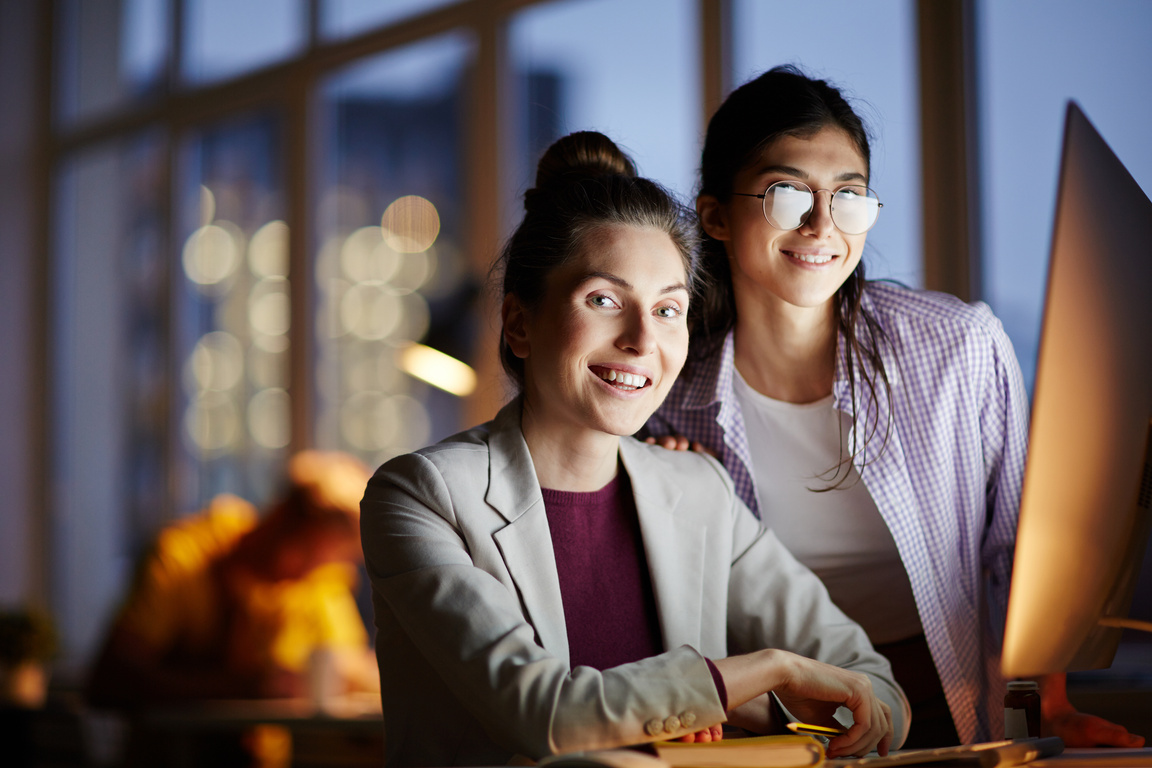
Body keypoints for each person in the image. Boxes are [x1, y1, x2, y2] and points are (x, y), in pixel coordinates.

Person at [360, 130, 910, 768]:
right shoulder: (421, 495)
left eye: (669, 309)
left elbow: (877, 691)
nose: (642, 339)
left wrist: (761, 699)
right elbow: (545, 715)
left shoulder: (699, 490)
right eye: (603, 300)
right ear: (518, 323)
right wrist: (765, 671)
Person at [644, 65, 1144, 749]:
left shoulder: (957, 347)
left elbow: (1018, 552)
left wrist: (1050, 709)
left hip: (953, 700)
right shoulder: (667, 388)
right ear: (715, 216)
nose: (823, 226)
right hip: (774, 723)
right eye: (788, 194)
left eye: (848, 196)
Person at [86, 450, 379, 708]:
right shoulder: (183, 557)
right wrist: (242, 688)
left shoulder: (317, 579)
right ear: (280, 515)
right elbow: (111, 678)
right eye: (305, 552)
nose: (303, 571)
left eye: (324, 562)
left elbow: (351, 666)